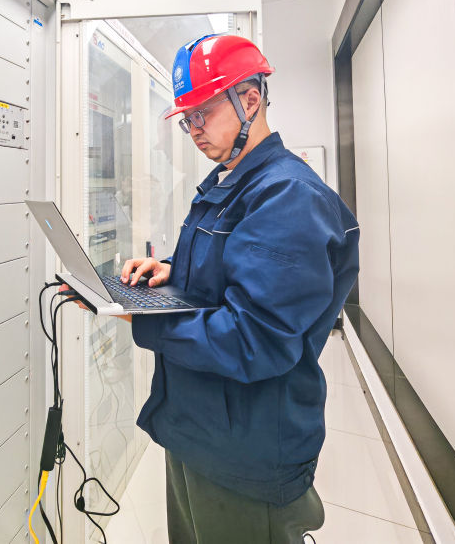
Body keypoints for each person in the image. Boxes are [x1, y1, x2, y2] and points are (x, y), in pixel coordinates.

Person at [72, 34, 360, 543]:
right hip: (198, 427)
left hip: (246, 452)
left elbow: (256, 339)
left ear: (250, 100)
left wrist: (140, 315)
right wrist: (169, 272)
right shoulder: (230, 181)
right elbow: (230, 275)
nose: (194, 130)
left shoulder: (287, 196)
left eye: (202, 112)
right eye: (187, 119)